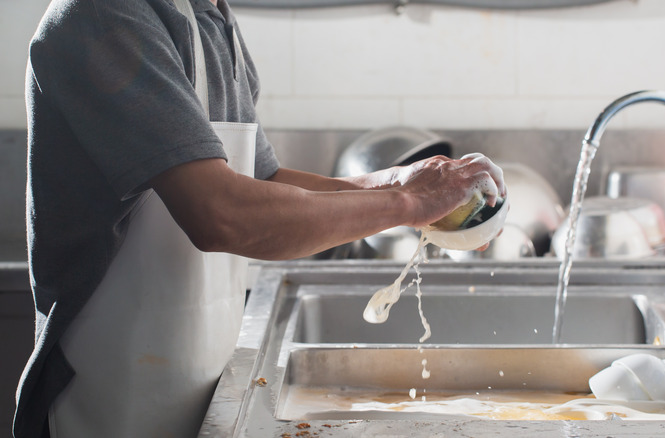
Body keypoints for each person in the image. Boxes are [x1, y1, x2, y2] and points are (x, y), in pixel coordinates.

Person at [14, 0, 506, 437]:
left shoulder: (211, 17)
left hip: (202, 384)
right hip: (111, 398)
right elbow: (223, 214)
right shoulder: (104, 16)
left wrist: (402, 183)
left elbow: (265, 182)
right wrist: (410, 204)